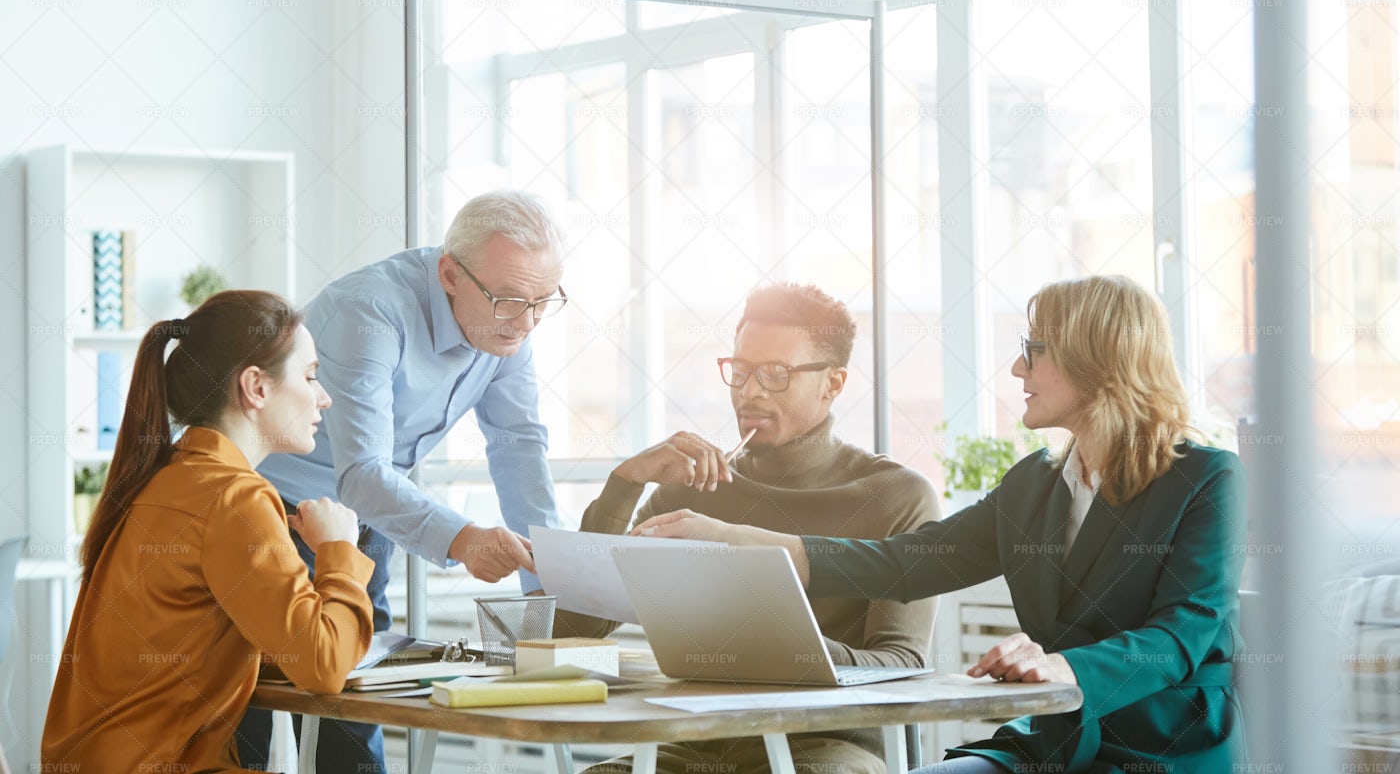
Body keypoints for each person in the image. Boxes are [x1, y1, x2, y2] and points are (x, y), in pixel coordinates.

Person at [638, 275, 1249, 773]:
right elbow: (905, 563)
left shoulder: (1206, 480)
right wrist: (737, 539)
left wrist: (1067, 667)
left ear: (1097, 363)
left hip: (1163, 748)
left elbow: (1181, 636)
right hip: (1057, 743)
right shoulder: (1034, 485)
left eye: (1033, 352)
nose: (1015, 368)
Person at [238, 189, 567, 771]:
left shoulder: (508, 325)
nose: (527, 321)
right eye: (512, 300)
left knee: (355, 691)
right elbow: (363, 470)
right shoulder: (371, 309)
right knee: (254, 702)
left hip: (365, 512)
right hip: (269, 508)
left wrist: (549, 580)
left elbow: (518, 445)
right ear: (450, 274)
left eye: (544, 302)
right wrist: (465, 540)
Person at [555, 282, 940, 774]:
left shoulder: (897, 496)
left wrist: (774, 645)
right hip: (693, 742)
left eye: (776, 374)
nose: (750, 391)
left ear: (833, 383)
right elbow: (570, 633)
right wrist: (623, 485)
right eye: (740, 371)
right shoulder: (693, 485)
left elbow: (903, 666)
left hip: (823, 747)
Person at [42, 291, 374, 774]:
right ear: (256, 387)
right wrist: (339, 550)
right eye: (310, 376)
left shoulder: (169, 477)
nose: (324, 396)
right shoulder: (235, 497)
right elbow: (322, 667)